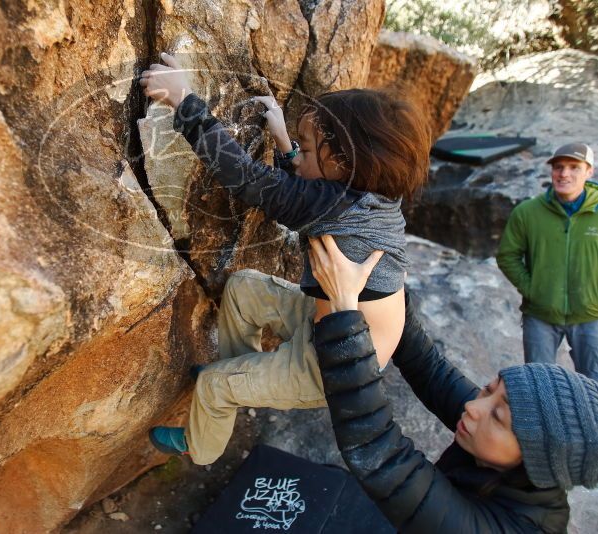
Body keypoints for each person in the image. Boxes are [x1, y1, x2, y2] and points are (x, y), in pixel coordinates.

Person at [139, 52, 430, 464]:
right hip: (330, 323)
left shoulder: (338, 205)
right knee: (242, 290)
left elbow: (247, 179)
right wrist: (287, 144)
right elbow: (309, 190)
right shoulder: (370, 192)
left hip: (334, 367)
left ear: (343, 164)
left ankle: (201, 444)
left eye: (309, 150)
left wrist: (184, 97)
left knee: (213, 387)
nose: (302, 155)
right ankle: (242, 376)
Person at [308, 233, 598, 533]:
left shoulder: (518, 527)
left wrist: (344, 312)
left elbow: (379, 455)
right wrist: (387, 284)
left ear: (537, 463)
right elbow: (429, 369)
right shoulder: (493, 437)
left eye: (497, 416)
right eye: (488, 389)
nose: (473, 406)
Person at [497, 143, 598, 379]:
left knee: (595, 388)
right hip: (540, 317)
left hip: (592, 316)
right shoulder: (527, 212)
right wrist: (533, 289)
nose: (564, 174)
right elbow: (507, 255)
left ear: (589, 171)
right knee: (539, 384)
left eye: (574, 167)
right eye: (558, 167)